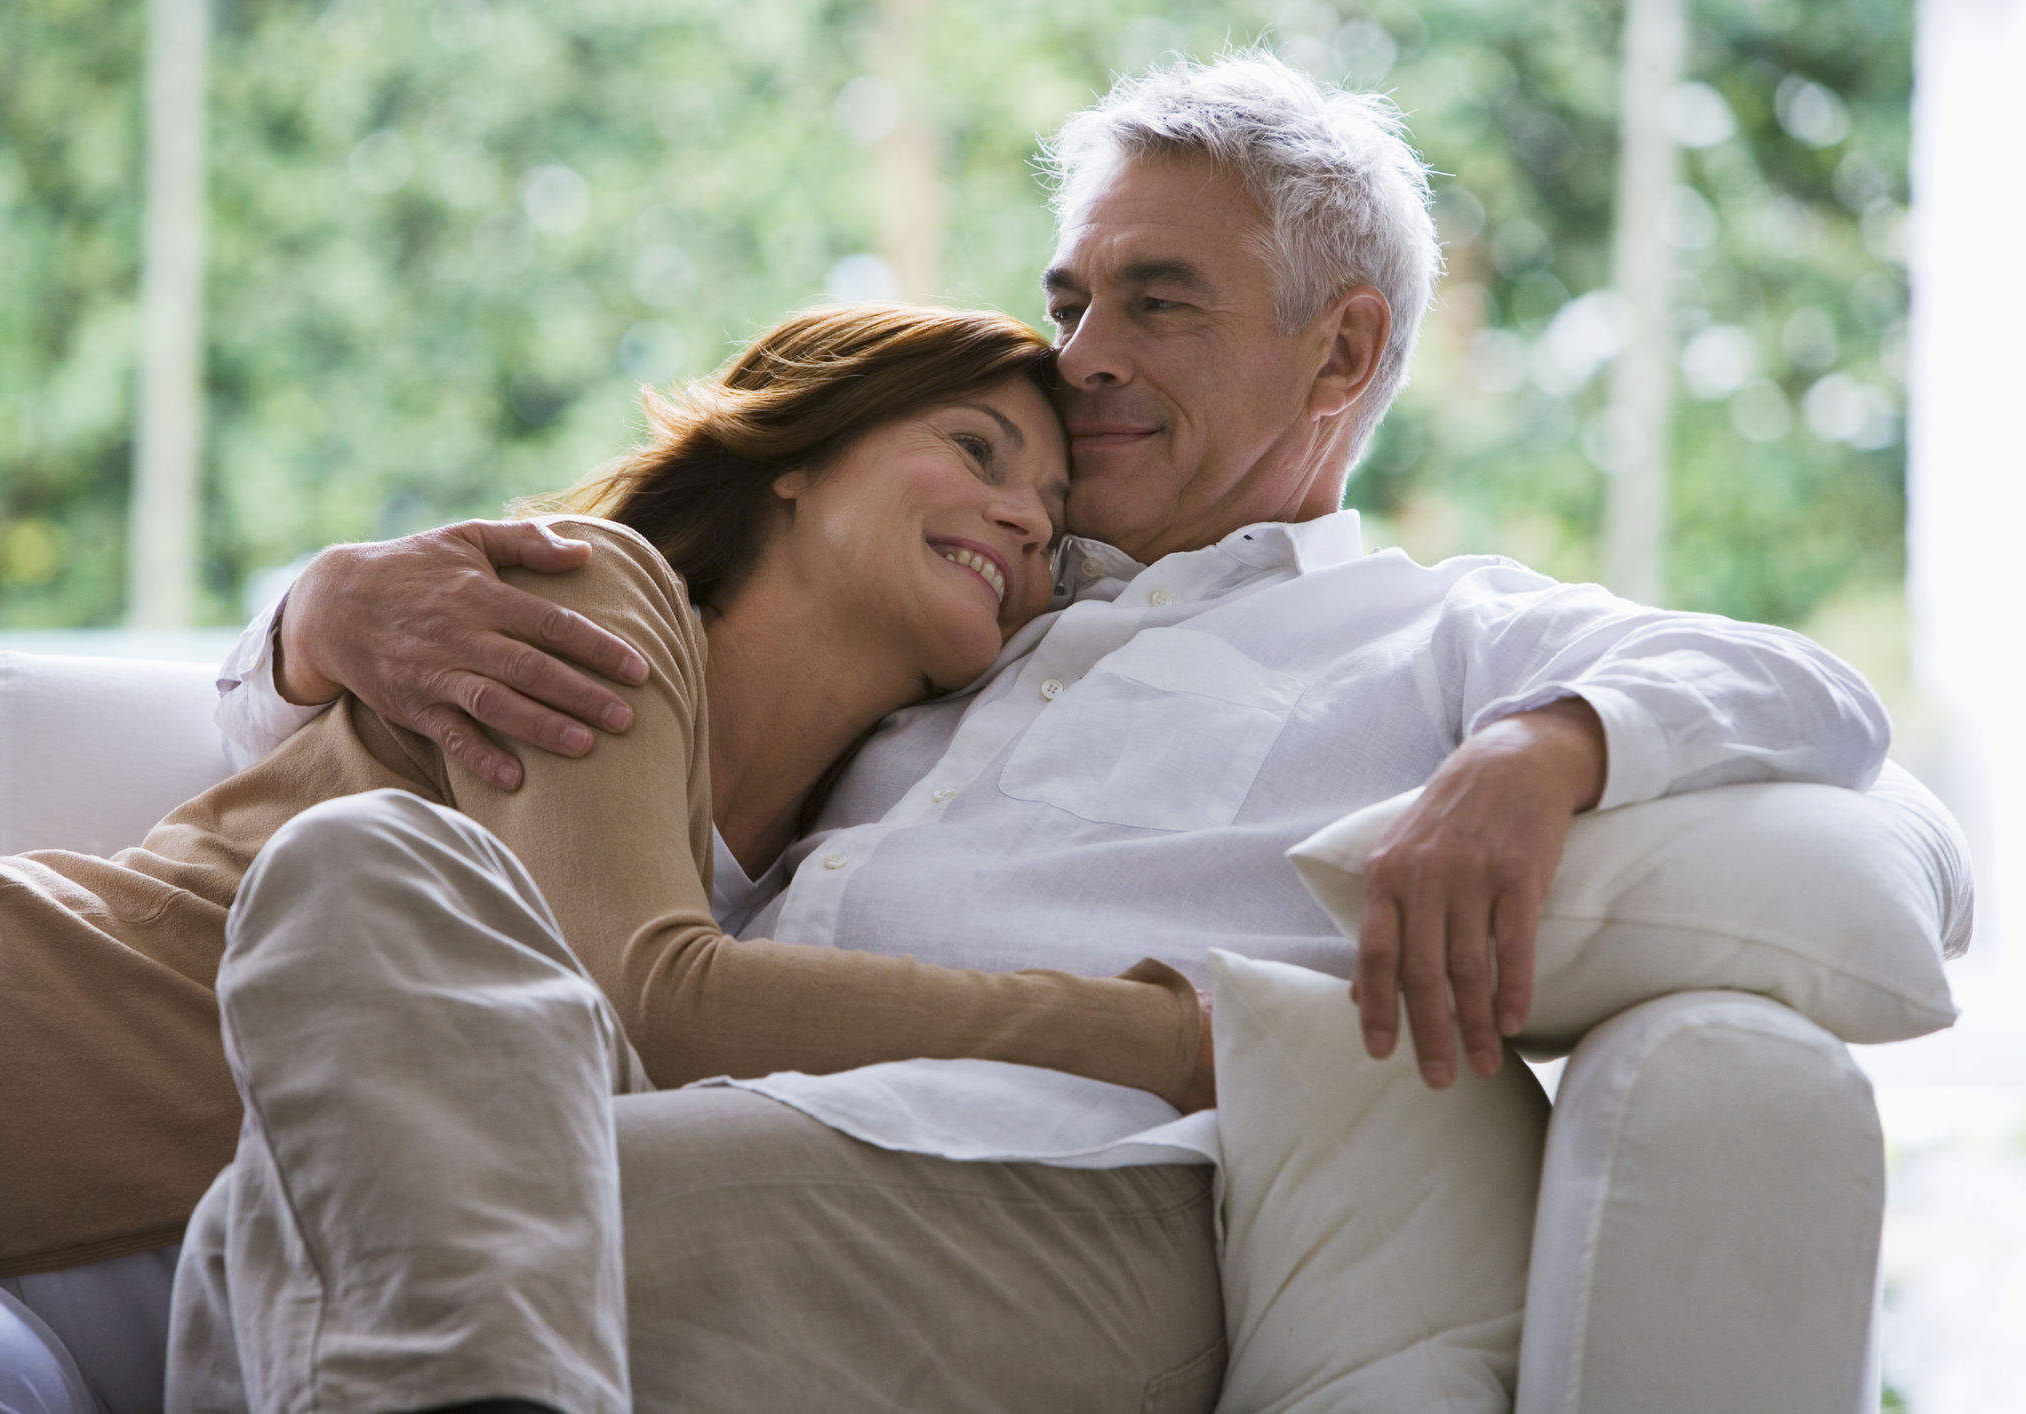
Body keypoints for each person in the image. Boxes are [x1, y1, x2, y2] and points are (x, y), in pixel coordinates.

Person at [214, 50, 1891, 1408]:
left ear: (1342, 351)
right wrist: (310, 619)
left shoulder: (1431, 632)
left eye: (1156, 303)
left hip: (1049, 1178)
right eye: (1069, 297)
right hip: (698, 1093)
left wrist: (1545, 747)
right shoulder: (969, 601)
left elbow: (1817, 695)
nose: (1078, 357)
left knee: (346, 1244)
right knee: (357, 887)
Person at [0, 305, 1228, 1413]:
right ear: (801, 456)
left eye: (1054, 515)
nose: (1021, 520)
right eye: (976, 449)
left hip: (134, 1285)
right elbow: (650, 995)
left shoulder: (834, 864)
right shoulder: (594, 598)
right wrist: (1175, 1037)